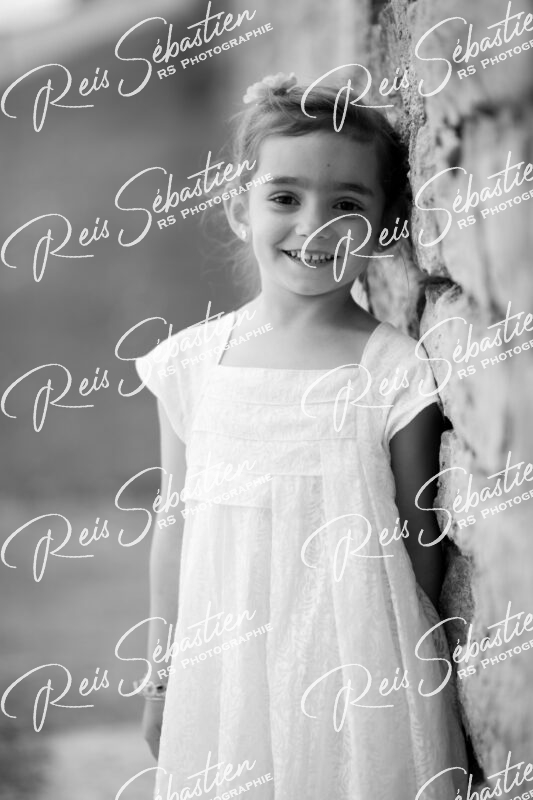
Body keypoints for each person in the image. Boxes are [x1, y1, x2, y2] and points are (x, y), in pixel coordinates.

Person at [134, 72, 468, 800]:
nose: (314, 227)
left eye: (346, 205)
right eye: (284, 198)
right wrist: (164, 677)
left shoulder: (393, 371)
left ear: (385, 227)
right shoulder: (192, 365)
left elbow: (420, 546)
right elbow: (175, 526)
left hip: (355, 675)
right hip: (225, 676)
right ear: (239, 209)